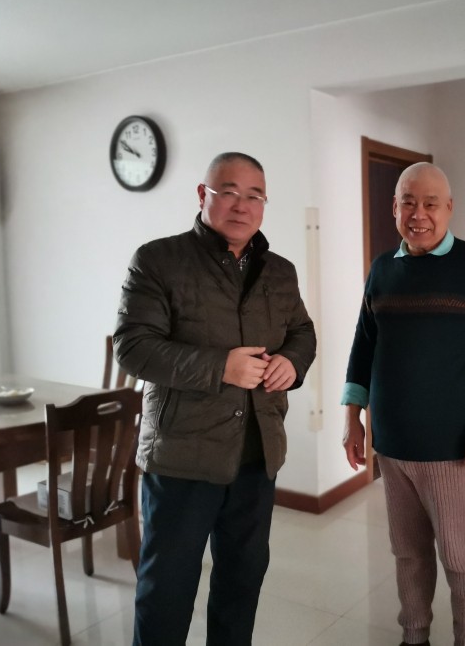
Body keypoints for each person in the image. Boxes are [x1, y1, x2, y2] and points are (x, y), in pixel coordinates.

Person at [114, 152, 316, 646]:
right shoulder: (158, 260)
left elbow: (303, 333)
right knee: (167, 589)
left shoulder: (280, 271)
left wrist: (292, 362)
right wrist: (220, 366)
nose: (242, 205)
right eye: (229, 192)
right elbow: (133, 347)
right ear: (203, 195)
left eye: (254, 195)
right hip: (182, 457)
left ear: (264, 204)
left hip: (257, 454)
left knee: (242, 582)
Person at [342, 162, 465, 646]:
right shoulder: (383, 269)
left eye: (430, 204)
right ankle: (413, 636)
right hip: (391, 442)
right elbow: (363, 345)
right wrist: (353, 417)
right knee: (408, 553)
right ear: (394, 207)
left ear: (450, 208)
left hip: (449, 443)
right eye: (408, 203)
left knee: (461, 559)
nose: (419, 214)